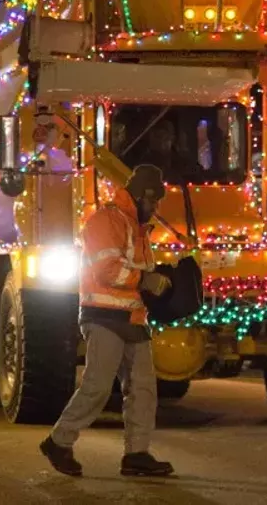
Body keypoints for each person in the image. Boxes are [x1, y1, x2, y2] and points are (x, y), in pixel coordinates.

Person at [41, 164, 176, 478]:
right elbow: (107, 270)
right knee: (97, 387)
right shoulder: (106, 220)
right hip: (103, 316)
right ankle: (58, 441)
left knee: (143, 390)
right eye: (154, 202)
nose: (156, 209)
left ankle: (137, 455)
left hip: (133, 318)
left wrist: (160, 282)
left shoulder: (139, 227)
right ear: (143, 195)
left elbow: (131, 270)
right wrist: (145, 280)